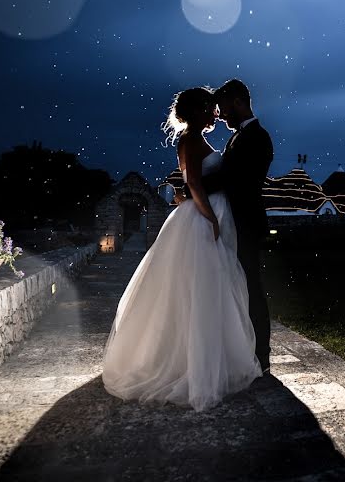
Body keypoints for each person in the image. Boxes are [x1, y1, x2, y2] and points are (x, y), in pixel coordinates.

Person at [102, 87, 261, 412]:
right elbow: (193, 185)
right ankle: (191, 366)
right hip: (200, 219)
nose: (216, 112)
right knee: (198, 288)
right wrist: (209, 219)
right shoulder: (189, 141)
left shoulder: (199, 140)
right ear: (199, 110)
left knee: (212, 287)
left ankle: (213, 359)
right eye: (210, 107)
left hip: (210, 212)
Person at [191, 79, 274, 372]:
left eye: (224, 108)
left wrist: (191, 190)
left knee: (250, 287)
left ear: (238, 101)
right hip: (232, 222)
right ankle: (240, 350)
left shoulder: (258, 137)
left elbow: (233, 179)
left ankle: (260, 357)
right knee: (235, 288)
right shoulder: (237, 137)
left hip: (246, 224)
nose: (221, 114)